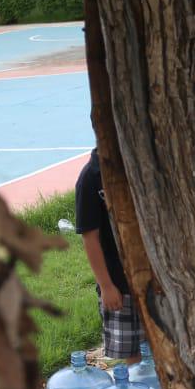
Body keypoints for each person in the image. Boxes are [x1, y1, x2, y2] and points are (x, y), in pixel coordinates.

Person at [75, 149, 143, 365]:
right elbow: (90, 238)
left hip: (156, 274)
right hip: (118, 282)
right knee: (131, 351)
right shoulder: (90, 178)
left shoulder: (141, 164)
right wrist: (106, 285)